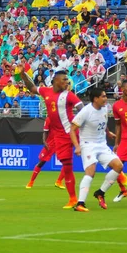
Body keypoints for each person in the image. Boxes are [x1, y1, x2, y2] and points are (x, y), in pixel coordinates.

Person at [21, 69, 83, 209]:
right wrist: (23, 75)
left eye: (68, 80)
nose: (67, 82)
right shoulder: (46, 91)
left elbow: (81, 108)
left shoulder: (69, 95)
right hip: (59, 136)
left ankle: (119, 173)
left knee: (95, 154)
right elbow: (31, 87)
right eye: (64, 80)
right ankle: (73, 199)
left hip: (73, 131)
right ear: (56, 81)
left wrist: (81, 123)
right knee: (67, 167)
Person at [70, 88, 123, 212]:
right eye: (103, 96)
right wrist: (77, 146)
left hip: (102, 145)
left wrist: (108, 132)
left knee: (118, 166)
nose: (105, 98)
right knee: (91, 172)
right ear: (95, 99)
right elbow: (72, 130)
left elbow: (103, 122)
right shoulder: (85, 112)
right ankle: (80, 203)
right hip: (88, 145)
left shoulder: (104, 108)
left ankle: (100, 192)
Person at [26, 117, 65, 189]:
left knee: (67, 163)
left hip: (60, 143)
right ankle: (31, 182)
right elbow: (45, 131)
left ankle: (59, 181)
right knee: (41, 163)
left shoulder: (63, 118)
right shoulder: (49, 119)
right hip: (50, 144)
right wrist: (44, 141)